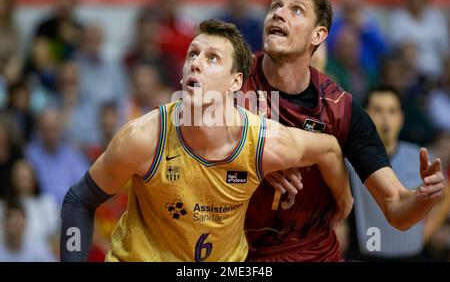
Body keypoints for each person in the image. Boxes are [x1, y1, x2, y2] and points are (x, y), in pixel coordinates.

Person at [60, 19, 353, 262]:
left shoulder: (264, 142)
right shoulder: (144, 138)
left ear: (235, 82)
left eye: (212, 58)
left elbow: (329, 148)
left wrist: (341, 207)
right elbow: (78, 201)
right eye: (192, 54)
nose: (196, 63)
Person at [241, 0, 446, 262]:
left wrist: (422, 198)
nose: (278, 13)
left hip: (313, 253)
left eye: (296, 10)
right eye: (275, 6)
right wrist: (253, 157)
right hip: (241, 253)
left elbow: (396, 208)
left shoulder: (342, 109)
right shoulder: (232, 81)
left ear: (318, 35)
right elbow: (186, 137)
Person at [346, 87, 450, 261]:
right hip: (366, 254)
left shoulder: (420, 156)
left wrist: (423, 235)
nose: (385, 117)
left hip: (412, 255)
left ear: (401, 118)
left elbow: (445, 196)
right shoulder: (350, 159)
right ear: (364, 116)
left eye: (392, 111)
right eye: (378, 110)